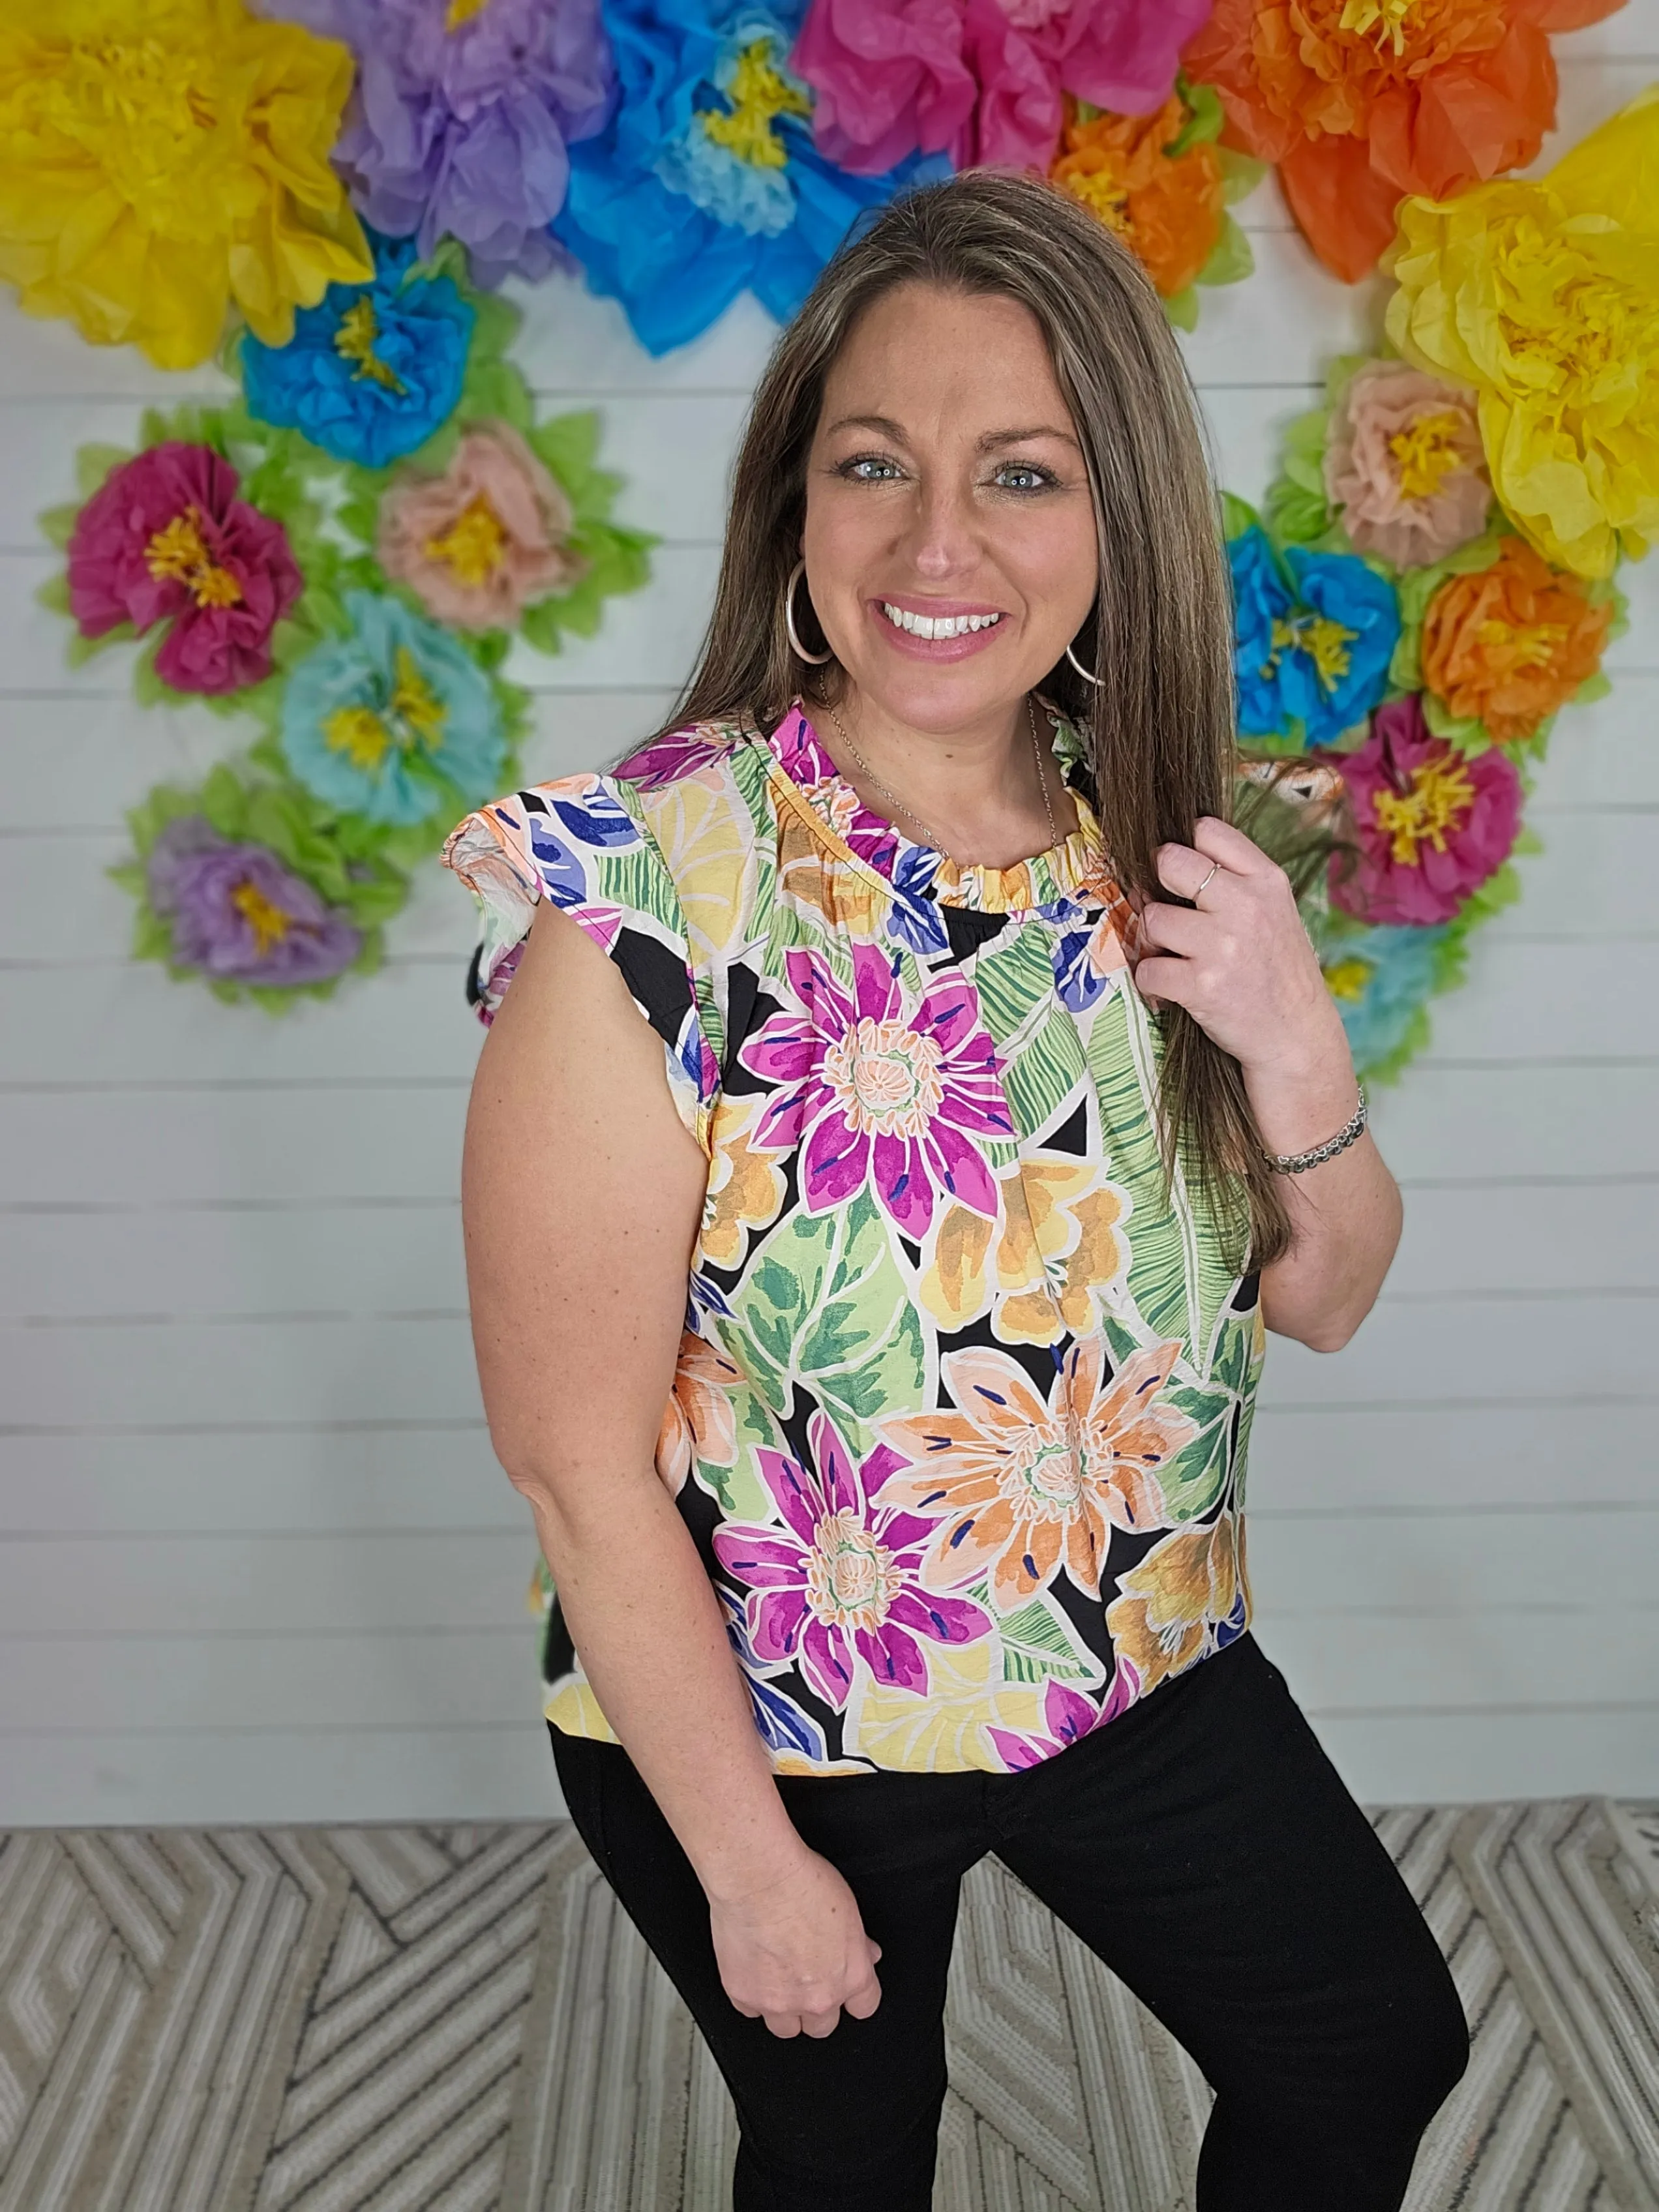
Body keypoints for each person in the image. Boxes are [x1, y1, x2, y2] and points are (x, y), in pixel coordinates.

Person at [445, 169, 1469, 2212]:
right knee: (847, 2159)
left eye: (1021, 473)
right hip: (781, 1718)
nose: (938, 542)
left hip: (1130, 1657)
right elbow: (576, 1468)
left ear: (1118, 520)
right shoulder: (638, 904)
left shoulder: (1154, 856)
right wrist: (752, 1869)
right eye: (875, 466)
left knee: (1369, 2047)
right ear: (798, 511)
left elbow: (1330, 1289)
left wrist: (1299, 1050)